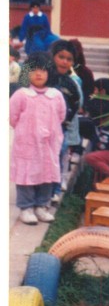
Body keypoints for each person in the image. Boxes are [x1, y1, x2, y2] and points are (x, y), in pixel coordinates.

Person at [10, 51, 65, 225]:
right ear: (27, 73)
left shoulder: (55, 95)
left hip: (49, 144)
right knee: (26, 174)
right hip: (27, 144)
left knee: (46, 173)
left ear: (49, 72)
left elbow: (61, 115)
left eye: (42, 70)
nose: (39, 74)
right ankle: (26, 208)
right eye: (34, 70)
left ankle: (41, 205)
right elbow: (13, 117)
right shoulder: (22, 95)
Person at [49, 39, 82, 201]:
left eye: (69, 59)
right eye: (61, 57)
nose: (64, 61)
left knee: (58, 155)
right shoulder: (44, 77)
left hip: (60, 128)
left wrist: (66, 119)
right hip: (40, 127)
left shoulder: (71, 84)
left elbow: (76, 103)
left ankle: (54, 191)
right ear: (53, 56)